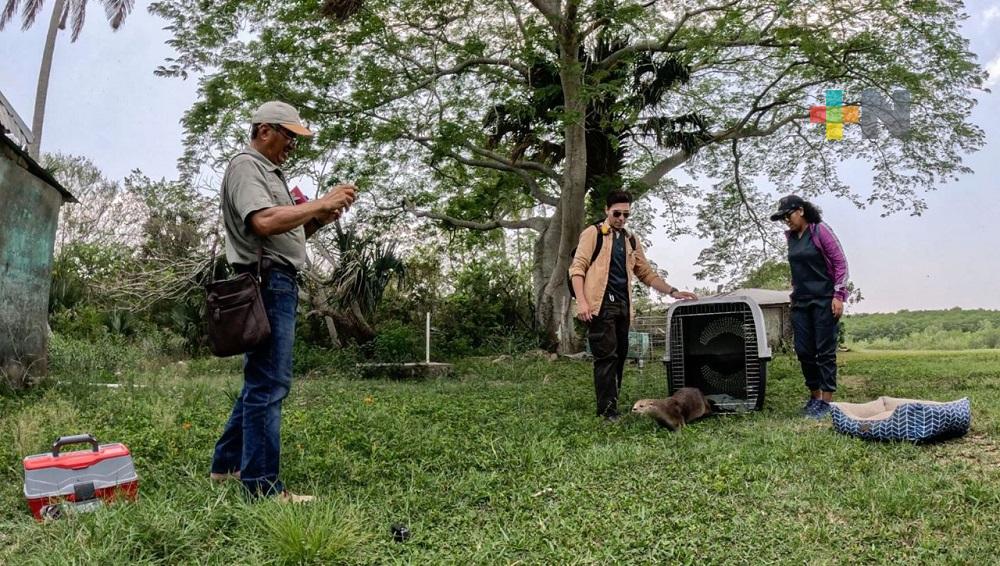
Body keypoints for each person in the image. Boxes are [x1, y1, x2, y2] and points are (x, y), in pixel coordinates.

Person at [210, 101, 357, 501]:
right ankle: (261, 486)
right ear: (264, 131)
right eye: (289, 134)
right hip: (266, 281)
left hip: (275, 279)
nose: (293, 143)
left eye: (295, 136)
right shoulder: (247, 166)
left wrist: (316, 219)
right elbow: (262, 222)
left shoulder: (270, 172)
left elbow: (285, 233)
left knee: (260, 381)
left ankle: (226, 467)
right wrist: (320, 202)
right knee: (270, 384)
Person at [569, 190, 698, 422]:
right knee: (606, 357)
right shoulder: (593, 233)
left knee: (619, 357)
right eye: (616, 213)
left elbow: (645, 273)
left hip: (623, 307)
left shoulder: (630, 239)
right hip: (600, 306)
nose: (621, 218)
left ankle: (611, 402)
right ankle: (607, 412)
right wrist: (582, 302)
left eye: (626, 215)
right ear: (606, 211)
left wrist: (673, 291)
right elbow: (577, 268)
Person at [769, 195, 849, 419]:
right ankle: (814, 396)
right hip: (801, 300)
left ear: (801, 210)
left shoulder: (819, 231)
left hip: (824, 298)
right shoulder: (791, 237)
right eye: (783, 218)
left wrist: (839, 295)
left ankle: (826, 401)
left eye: (789, 215)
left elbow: (840, 263)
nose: (787, 220)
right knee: (804, 350)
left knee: (824, 351)